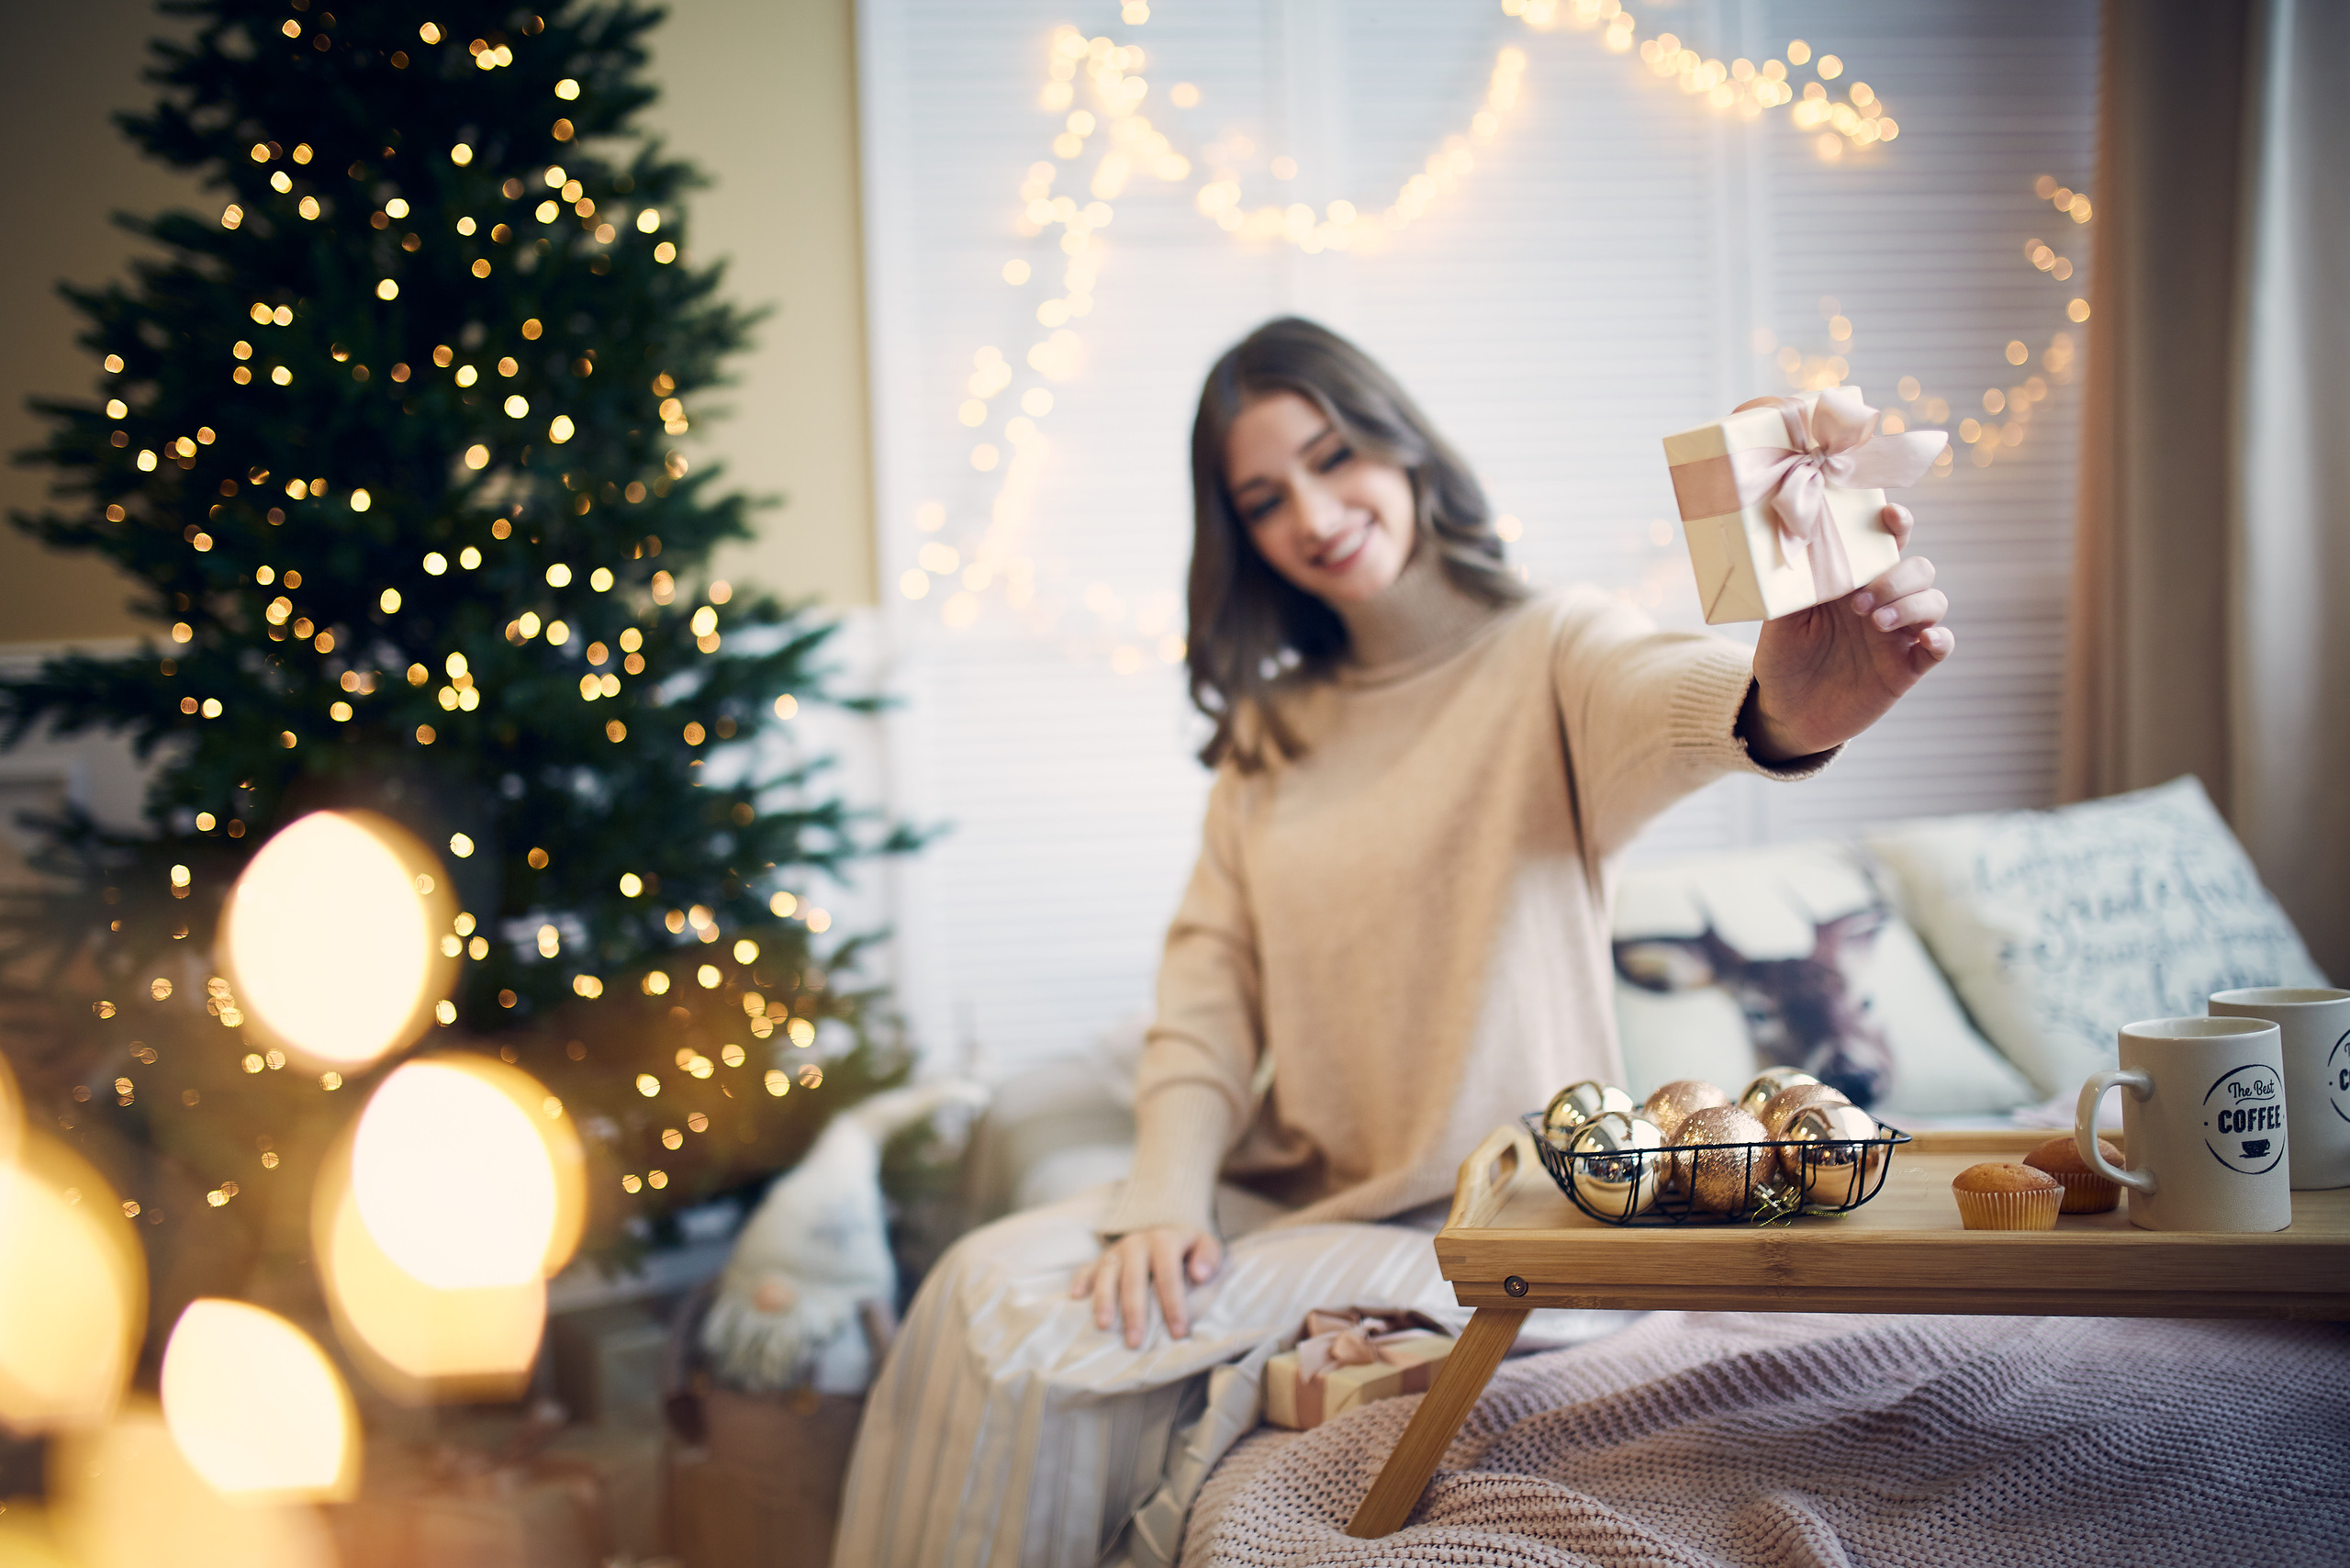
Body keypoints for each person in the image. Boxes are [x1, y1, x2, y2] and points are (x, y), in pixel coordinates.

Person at [833, 318, 1953, 1568]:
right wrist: (1163, 1196)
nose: (1313, 513)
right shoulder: (1270, 738)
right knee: (977, 1278)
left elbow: (1671, 703)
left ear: (1405, 450)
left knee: (1031, 1329)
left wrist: (1788, 706)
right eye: (1265, 498)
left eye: (1335, 456)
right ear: (1240, 535)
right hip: (1312, 1204)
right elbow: (1204, 1002)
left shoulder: (1551, 648)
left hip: (1507, 1231)